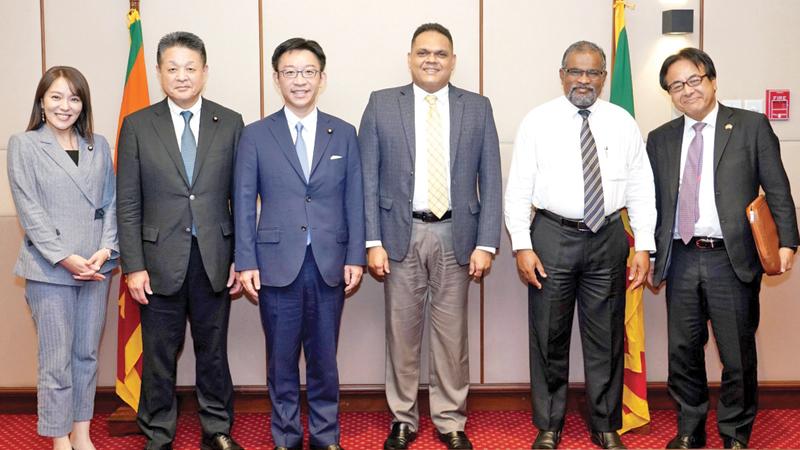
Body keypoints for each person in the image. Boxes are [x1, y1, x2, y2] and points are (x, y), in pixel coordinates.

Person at [504, 41, 656, 450]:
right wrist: (521, 244)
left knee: (606, 336)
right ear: (561, 74)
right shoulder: (538, 121)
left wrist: (643, 244)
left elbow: (642, 186)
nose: (583, 80)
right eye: (575, 71)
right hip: (552, 235)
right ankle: (549, 423)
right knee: (548, 334)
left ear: (605, 78)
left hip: (608, 236)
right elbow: (518, 187)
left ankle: (604, 423)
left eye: (592, 73)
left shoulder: (622, 121)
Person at [647, 47, 799, 450]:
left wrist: (788, 242)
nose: (687, 91)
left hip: (731, 259)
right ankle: (690, 429)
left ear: (712, 80)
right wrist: (646, 251)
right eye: (676, 85)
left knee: (736, 354)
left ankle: (734, 432)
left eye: (694, 80)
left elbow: (778, 190)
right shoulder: (660, 139)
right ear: (669, 93)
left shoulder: (750, 126)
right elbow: (653, 202)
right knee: (683, 352)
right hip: (679, 257)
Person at [359, 23, 502, 450]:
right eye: (423, 52)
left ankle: (449, 419)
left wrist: (486, 242)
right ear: (409, 58)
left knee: (452, 336)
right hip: (399, 235)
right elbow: (367, 178)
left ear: (453, 60)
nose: (431, 59)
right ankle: (403, 418)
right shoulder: (382, 104)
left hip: (457, 234)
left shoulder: (477, 107)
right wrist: (372, 240)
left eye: (440, 53)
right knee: (401, 335)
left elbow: (490, 178)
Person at [234, 37, 365, 450]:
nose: (300, 80)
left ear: (322, 78)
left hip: (330, 262)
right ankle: (286, 437)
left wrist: (356, 256)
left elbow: (355, 199)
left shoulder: (343, 133)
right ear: (277, 79)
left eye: (308, 72)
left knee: (325, 360)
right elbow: (241, 201)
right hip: (275, 264)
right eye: (290, 72)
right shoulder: (255, 135)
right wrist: (245, 260)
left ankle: (327, 437)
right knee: (281, 360)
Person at [116, 31, 244, 450]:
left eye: (190, 68)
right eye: (172, 68)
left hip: (214, 257)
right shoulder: (137, 125)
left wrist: (240, 258)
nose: (182, 76)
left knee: (213, 352)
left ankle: (217, 428)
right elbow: (128, 202)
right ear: (158, 72)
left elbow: (240, 198)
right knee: (158, 355)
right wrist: (133, 265)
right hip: (156, 261)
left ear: (205, 71)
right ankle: (157, 432)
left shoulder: (230, 122)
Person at [7, 66, 117, 450]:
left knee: (86, 354)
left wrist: (105, 250)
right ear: (41, 101)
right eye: (56, 97)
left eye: (74, 97)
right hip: (49, 269)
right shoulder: (23, 144)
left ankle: (82, 432)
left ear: (83, 104)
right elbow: (29, 210)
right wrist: (64, 257)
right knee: (56, 360)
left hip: (95, 268)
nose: (64, 106)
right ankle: (58, 437)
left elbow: (110, 203)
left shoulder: (98, 144)